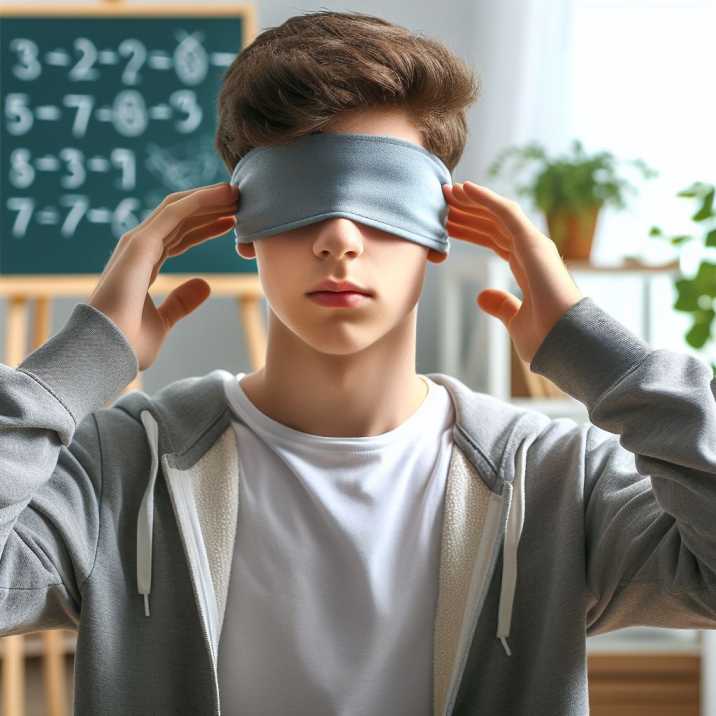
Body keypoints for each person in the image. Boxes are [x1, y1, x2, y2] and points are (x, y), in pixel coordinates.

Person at [2, 9, 715, 716]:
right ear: (240, 225)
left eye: (382, 203)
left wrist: (602, 356)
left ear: (442, 227)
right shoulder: (123, 468)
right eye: (301, 200)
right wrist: (82, 361)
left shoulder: (552, 478)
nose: (340, 237)